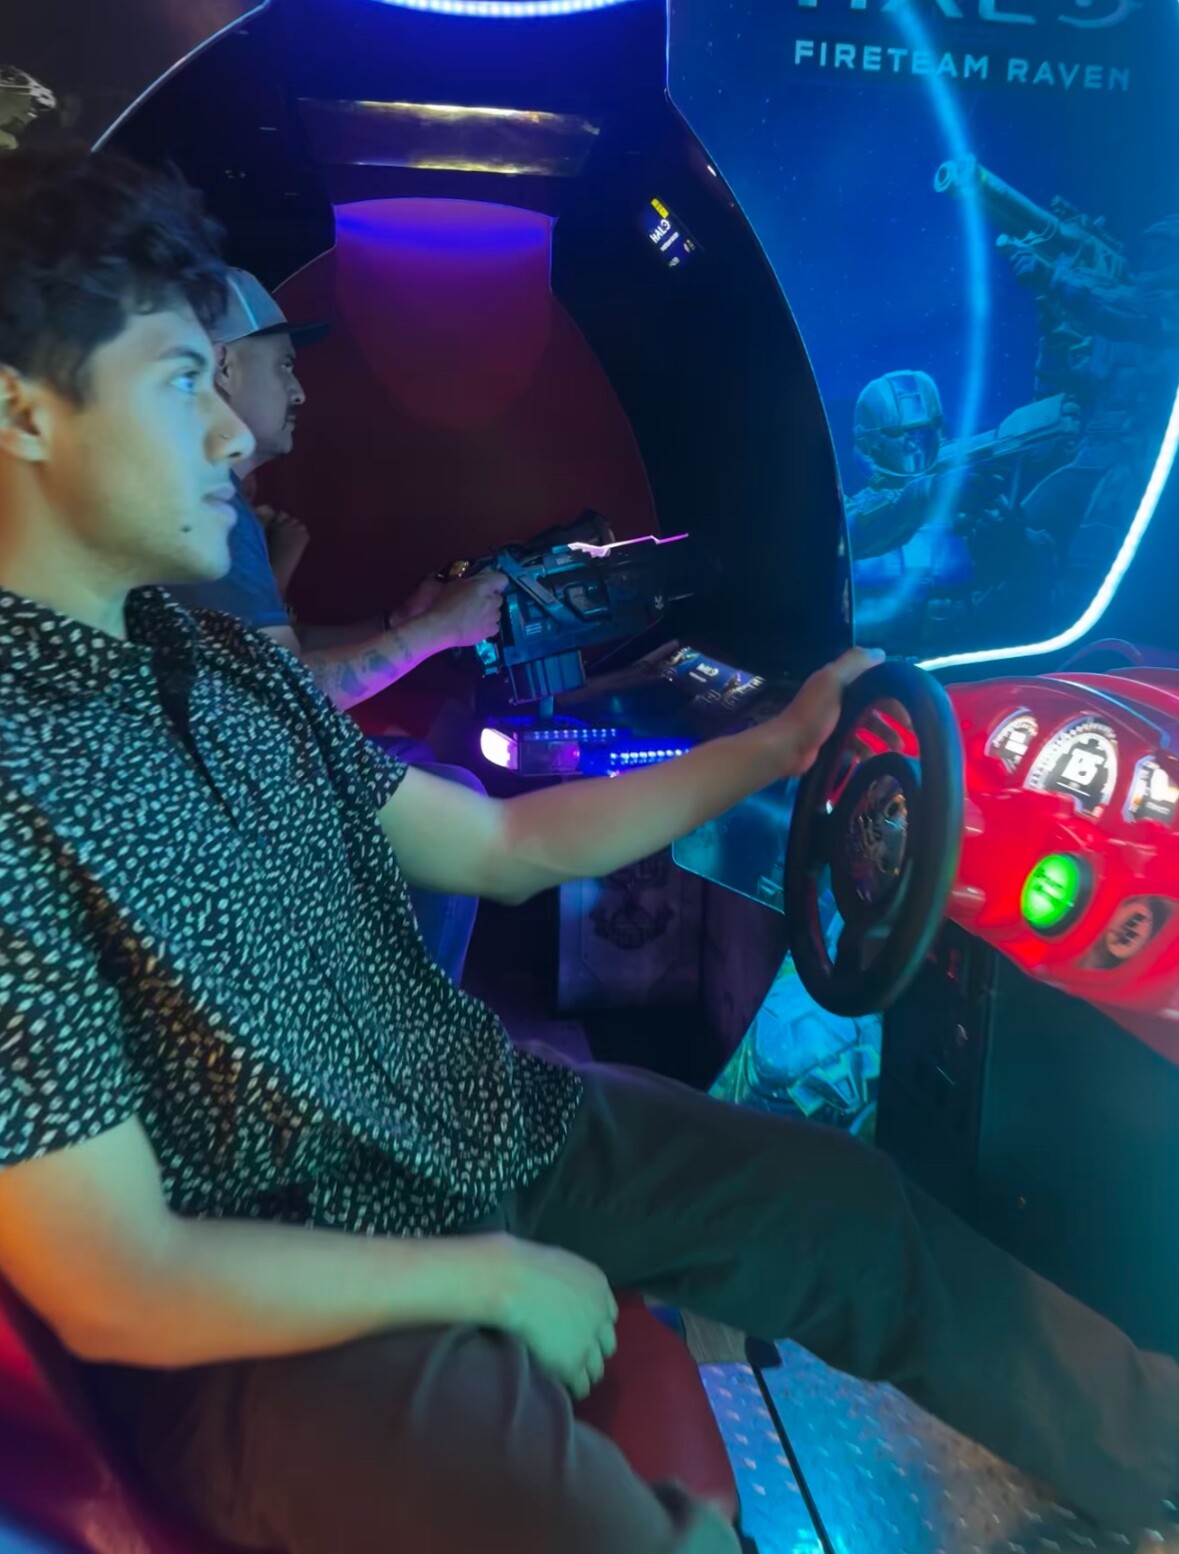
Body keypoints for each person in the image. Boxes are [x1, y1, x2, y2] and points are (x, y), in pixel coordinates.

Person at [0, 147, 1176, 1554]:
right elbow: (118, 1279)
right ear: (22, 413)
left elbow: (501, 840)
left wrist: (776, 744)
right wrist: (493, 1282)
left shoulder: (222, 669)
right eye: (181, 382)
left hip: (465, 1119)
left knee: (854, 1210)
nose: (232, 436)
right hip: (276, 1296)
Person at [166, 266, 505, 983]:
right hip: (216, 808)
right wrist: (436, 632)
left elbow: (271, 654)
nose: (299, 391)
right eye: (283, 366)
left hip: (219, 781)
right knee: (451, 801)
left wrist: (395, 620)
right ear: (224, 366)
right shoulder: (207, 505)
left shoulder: (220, 502)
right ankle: (411, 1032)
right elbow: (284, 695)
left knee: (411, 752)